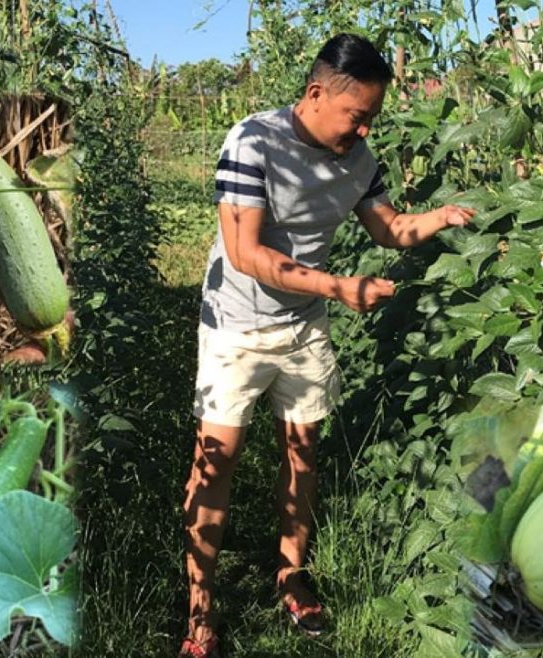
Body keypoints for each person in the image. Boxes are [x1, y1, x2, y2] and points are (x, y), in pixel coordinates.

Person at [179, 32, 475, 658]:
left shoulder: (359, 161)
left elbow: (391, 228)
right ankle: (200, 607)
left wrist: (441, 218)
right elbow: (245, 253)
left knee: (303, 449)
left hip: (304, 324)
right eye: (357, 116)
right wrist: (341, 287)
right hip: (235, 324)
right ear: (316, 94)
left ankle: (292, 571)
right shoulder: (253, 142)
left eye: (372, 118)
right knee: (217, 458)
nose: (364, 131)